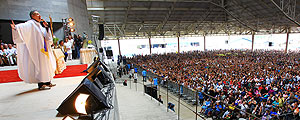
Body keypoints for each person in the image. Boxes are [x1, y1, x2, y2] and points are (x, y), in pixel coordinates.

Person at [11, 10, 56, 90]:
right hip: (37, 50)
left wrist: (46, 27)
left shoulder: (40, 25)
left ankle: (48, 82)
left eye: (39, 14)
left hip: (44, 50)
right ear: (32, 16)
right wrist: (16, 28)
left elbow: (47, 37)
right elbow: (23, 27)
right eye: (37, 14)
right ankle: (41, 84)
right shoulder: (31, 24)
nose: (39, 15)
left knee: (46, 65)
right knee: (40, 66)